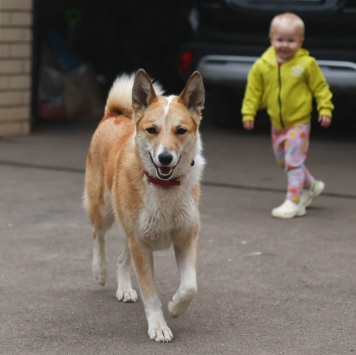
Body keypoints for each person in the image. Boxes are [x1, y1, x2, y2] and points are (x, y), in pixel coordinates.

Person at [241, 12, 334, 219]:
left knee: (293, 161)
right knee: (285, 161)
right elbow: (253, 91)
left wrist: (325, 108)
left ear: (300, 41)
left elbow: (321, 88)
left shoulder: (306, 64)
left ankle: (294, 201)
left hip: (298, 123)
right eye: (280, 39)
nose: (285, 45)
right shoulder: (262, 65)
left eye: (291, 41)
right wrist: (249, 112)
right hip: (277, 123)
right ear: (271, 38)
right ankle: (312, 186)